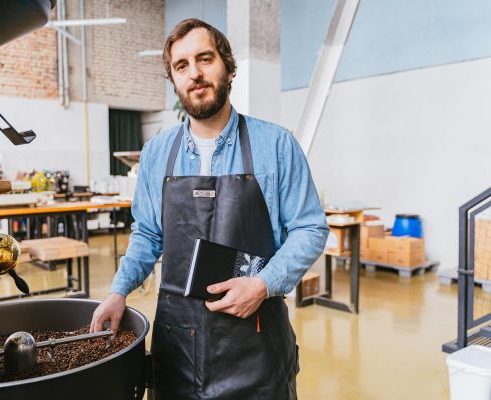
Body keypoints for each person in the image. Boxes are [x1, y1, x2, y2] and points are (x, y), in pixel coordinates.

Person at [91, 18, 329, 400]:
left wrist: (262, 283)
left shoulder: (277, 145)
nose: (195, 73)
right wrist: (118, 291)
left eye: (205, 59)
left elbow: (310, 229)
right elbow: (149, 234)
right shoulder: (156, 153)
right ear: (173, 80)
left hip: (255, 341)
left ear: (228, 68)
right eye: (181, 65)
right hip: (177, 347)